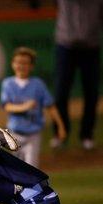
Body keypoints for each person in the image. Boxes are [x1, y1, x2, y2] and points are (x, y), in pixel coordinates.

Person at [1, 47, 66, 167]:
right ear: (12, 64)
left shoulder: (38, 84)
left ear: (31, 66)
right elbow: (7, 106)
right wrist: (24, 107)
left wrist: (60, 126)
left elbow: (51, 106)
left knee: (31, 168)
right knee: (17, 169)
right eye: (18, 62)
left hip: (33, 134)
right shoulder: (8, 83)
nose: (21, 66)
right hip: (14, 134)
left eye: (25, 63)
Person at [53, 0, 103, 150]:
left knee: (91, 93)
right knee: (61, 93)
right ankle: (60, 134)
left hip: (91, 46)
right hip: (65, 45)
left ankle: (87, 135)